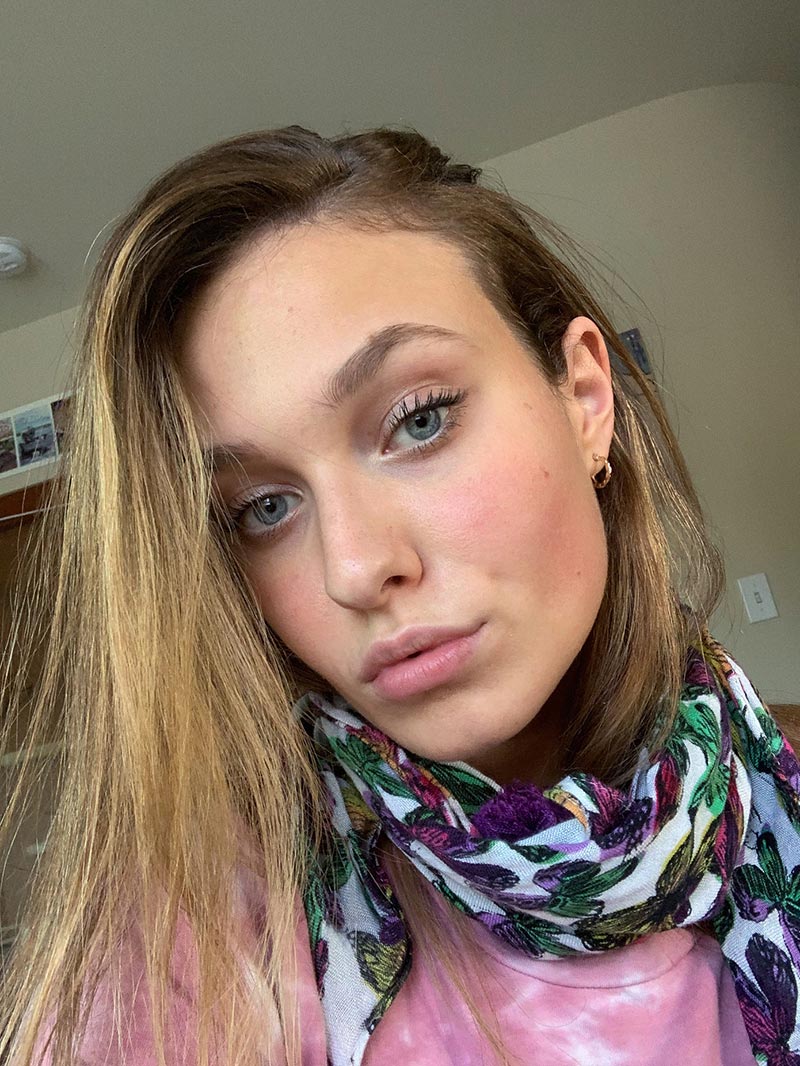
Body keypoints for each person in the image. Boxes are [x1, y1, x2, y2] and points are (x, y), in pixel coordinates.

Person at [1, 125, 797, 1066]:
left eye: (419, 421)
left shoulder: (777, 787)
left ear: (584, 397)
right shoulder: (200, 940)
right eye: (263, 507)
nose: (354, 568)